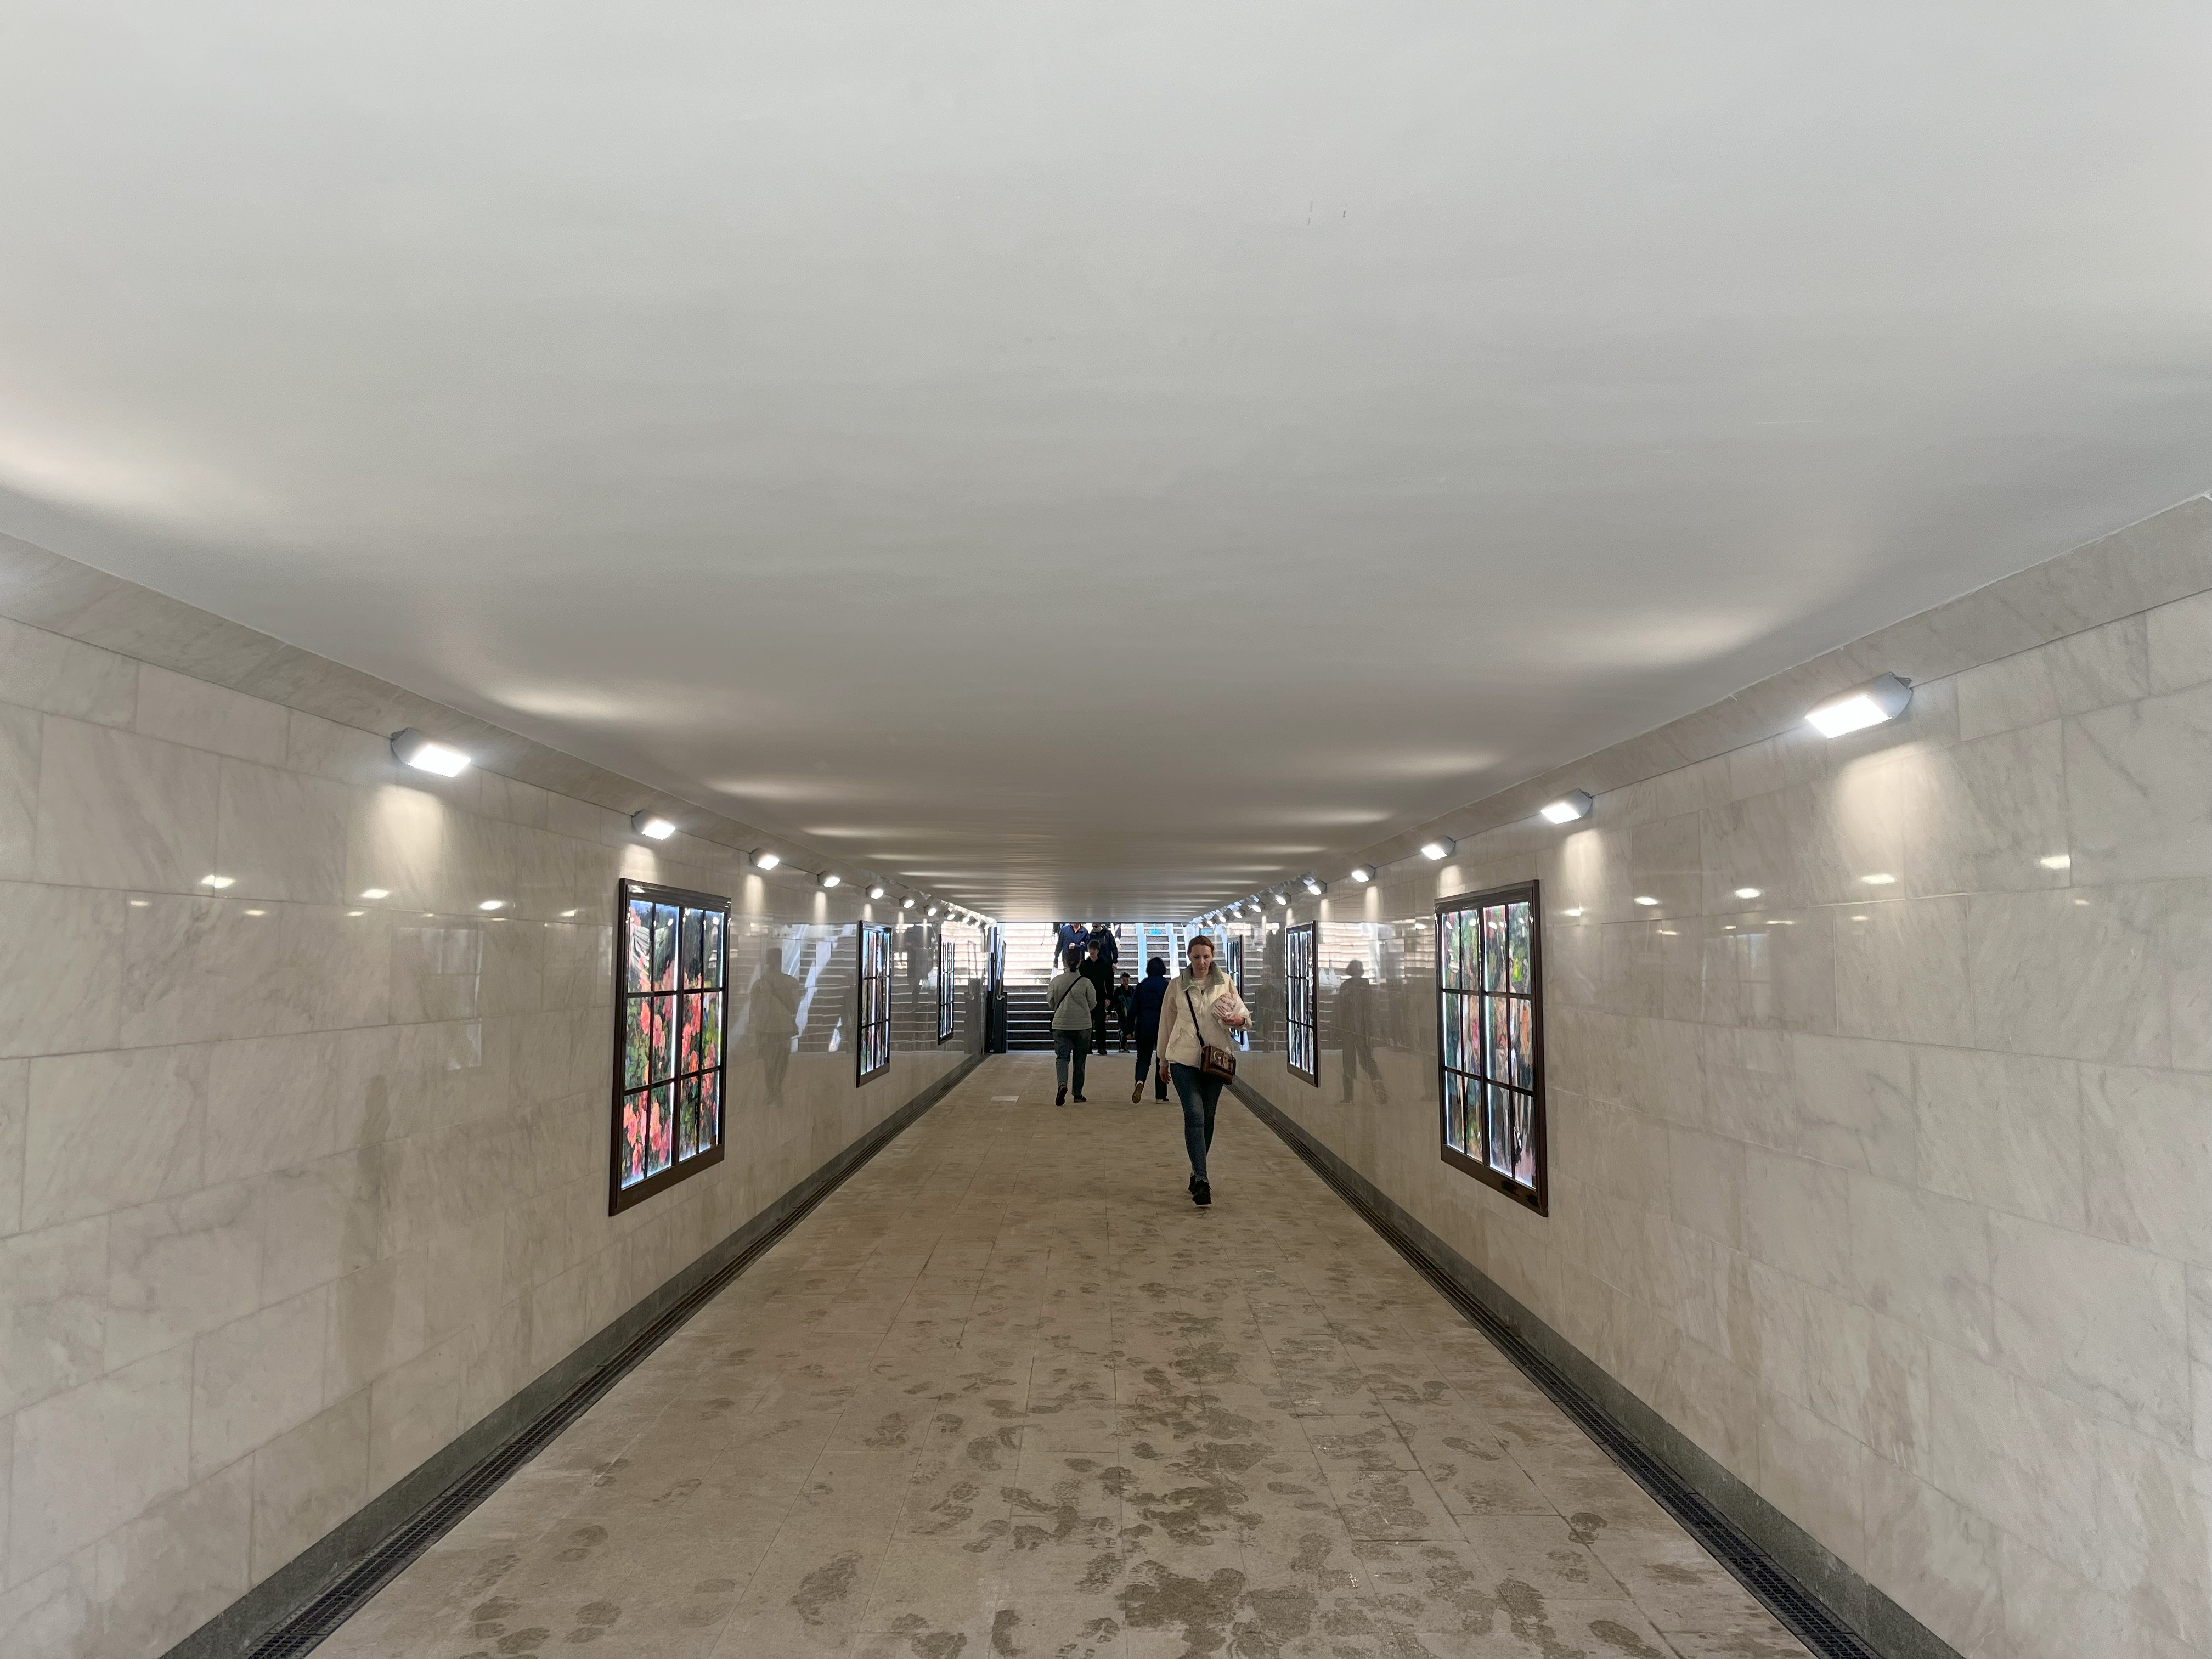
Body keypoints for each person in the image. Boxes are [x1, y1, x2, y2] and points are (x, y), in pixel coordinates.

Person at [1153, 934, 1250, 1207]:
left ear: (1213, 956)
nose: (1202, 962)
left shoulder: (1225, 983)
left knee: (1208, 1117)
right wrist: (1162, 1060)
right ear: (1189, 957)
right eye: (1196, 957)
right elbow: (1166, 1024)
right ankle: (1203, 1180)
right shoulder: (1176, 986)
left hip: (1216, 1060)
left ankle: (1197, 1170)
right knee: (1195, 1116)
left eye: (1206, 957)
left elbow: (1246, 1018)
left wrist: (1237, 1020)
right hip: (1183, 1060)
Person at [1047, 949, 1098, 1105]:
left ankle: (1062, 1084)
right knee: (1080, 1060)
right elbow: (1093, 1004)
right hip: (1083, 1026)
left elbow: (1051, 1003)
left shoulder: (1056, 981)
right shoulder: (1086, 982)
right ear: (1080, 962)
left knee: (1062, 1058)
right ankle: (1078, 1094)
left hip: (1061, 1025)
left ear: (1064, 962)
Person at [1336, 958, 1387, 1104]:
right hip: (1363, 1030)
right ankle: (1378, 1086)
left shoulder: (1345, 987)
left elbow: (1340, 1009)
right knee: (1367, 1060)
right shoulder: (1367, 987)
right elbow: (1373, 1009)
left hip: (1349, 1030)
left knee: (1349, 1063)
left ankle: (1348, 1096)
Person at [1130, 956, 1170, 1101]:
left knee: (1143, 1057)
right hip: (1161, 1027)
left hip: (1143, 1026)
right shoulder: (1166, 986)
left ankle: (1140, 1081)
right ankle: (1161, 1096)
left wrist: (1128, 1029)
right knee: (1161, 1060)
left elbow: (1132, 1009)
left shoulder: (1141, 986)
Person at [1081, 936, 1115, 1050]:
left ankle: (1101, 1047)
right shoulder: (1084, 964)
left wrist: (1109, 997)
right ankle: (1088, 1046)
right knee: (1088, 1023)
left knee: (1101, 1023)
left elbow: (1109, 981)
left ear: (1098, 950)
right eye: (1091, 949)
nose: (1092, 951)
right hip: (1087, 998)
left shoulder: (1105, 963)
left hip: (1100, 997)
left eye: (1094, 949)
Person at [1111, 970, 1136, 1052]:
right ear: (1121, 981)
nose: (1126, 982)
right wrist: (1109, 1012)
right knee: (1124, 1027)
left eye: (1127, 980)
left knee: (1128, 1027)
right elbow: (1113, 1001)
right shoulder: (1118, 990)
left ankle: (1123, 1045)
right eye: (1124, 980)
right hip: (1121, 1012)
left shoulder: (1132, 990)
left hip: (1129, 1012)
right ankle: (1122, 1045)